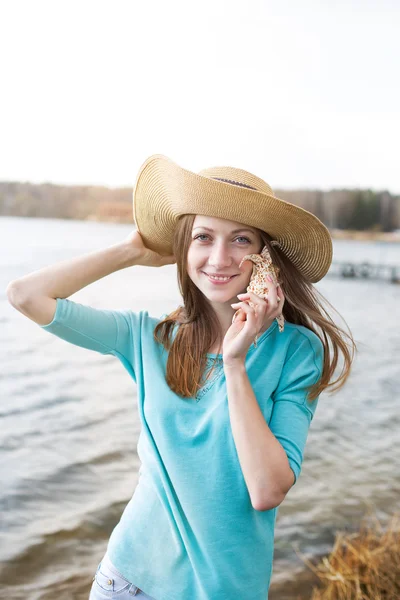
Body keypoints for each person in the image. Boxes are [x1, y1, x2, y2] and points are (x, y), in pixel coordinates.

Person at [6, 154, 356, 600]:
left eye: (241, 239)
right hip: (126, 581)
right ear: (183, 248)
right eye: (202, 238)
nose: (219, 257)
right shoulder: (147, 338)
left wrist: (235, 363)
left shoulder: (295, 352)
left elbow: (267, 489)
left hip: (225, 589)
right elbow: (25, 295)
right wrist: (131, 251)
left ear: (265, 257)